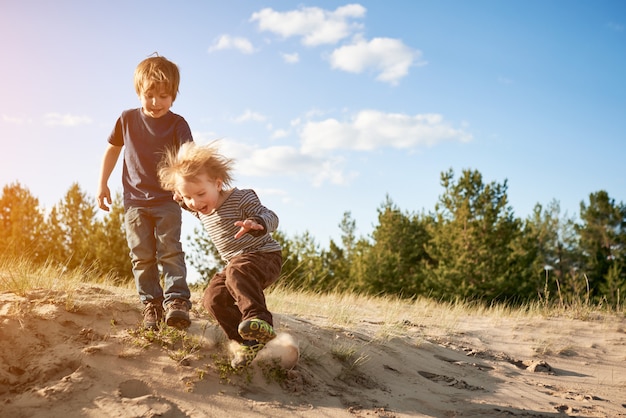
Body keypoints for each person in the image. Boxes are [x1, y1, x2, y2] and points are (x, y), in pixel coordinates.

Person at [158, 142, 282, 368]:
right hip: (237, 264)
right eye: (187, 197)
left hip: (264, 256)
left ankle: (258, 319)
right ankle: (248, 342)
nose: (195, 202)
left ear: (218, 183)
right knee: (212, 298)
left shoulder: (242, 198)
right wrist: (182, 196)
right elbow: (189, 200)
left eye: (201, 194)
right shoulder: (200, 208)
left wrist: (256, 223)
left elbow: (271, 215)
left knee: (236, 270)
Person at [97, 55, 193, 331]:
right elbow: (113, 149)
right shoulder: (126, 119)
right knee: (141, 255)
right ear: (139, 92)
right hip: (135, 202)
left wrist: (190, 190)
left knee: (170, 250)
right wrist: (102, 183)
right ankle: (151, 303)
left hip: (168, 200)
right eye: (149, 95)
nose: (155, 102)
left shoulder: (177, 124)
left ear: (174, 96)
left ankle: (176, 301)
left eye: (163, 96)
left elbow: (188, 156)